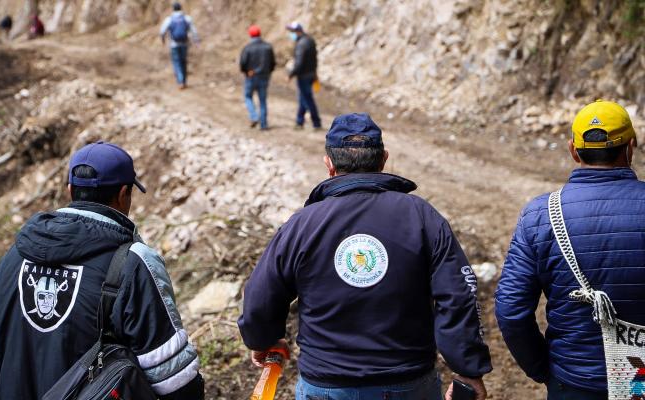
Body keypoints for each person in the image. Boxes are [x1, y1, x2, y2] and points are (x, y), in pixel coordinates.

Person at [239, 113, 492, 400]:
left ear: (329, 164)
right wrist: (468, 370)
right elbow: (459, 294)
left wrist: (263, 339)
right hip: (408, 383)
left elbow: (260, 294)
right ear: (383, 159)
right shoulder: (422, 217)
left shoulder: (302, 225)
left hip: (326, 386)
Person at [0, 142, 204, 399]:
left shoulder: (13, 257)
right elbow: (177, 383)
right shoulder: (131, 263)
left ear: (70, 190)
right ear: (124, 194)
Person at [496, 99, 645, 399]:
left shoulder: (540, 215)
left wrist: (542, 368)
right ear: (631, 147)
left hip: (573, 381)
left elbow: (511, 310)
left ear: (573, 151)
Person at [286, 21, 321, 130]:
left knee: (307, 99)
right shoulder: (310, 40)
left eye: (291, 32)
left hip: (303, 76)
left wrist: (291, 74)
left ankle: (316, 123)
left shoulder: (301, 44)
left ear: (297, 31)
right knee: (303, 98)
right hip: (311, 74)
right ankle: (299, 121)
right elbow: (315, 59)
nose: (290, 34)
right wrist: (315, 73)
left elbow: (299, 63)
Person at [239, 25, 275, 130]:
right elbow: (272, 63)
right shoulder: (268, 47)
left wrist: (246, 72)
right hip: (264, 76)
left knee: (247, 96)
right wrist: (268, 72)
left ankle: (254, 116)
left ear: (250, 35)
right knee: (262, 101)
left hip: (251, 76)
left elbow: (243, 63)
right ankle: (264, 124)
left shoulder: (248, 48)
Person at [159, 2, 200, 90]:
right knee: (183, 62)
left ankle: (180, 81)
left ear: (173, 9)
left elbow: (162, 31)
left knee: (177, 62)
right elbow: (194, 31)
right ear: (181, 8)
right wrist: (196, 41)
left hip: (174, 44)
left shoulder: (169, 19)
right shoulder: (186, 18)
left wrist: (163, 41)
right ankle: (184, 81)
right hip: (185, 43)